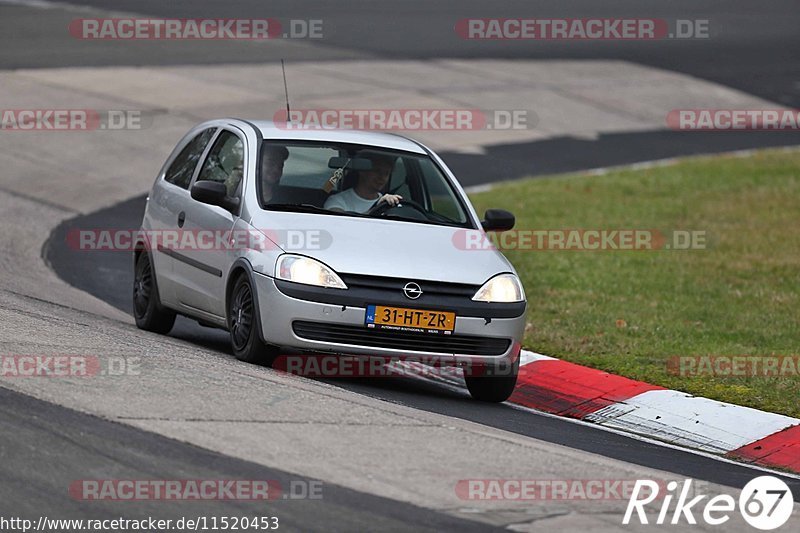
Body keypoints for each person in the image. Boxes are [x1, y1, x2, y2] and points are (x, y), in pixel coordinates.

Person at [324, 152, 403, 213]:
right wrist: (376, 209)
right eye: (377, 171)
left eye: (386, 173)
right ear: (362, 171)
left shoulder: (388, 204)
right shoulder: (337, 200)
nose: (381, 177)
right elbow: (339, 225)